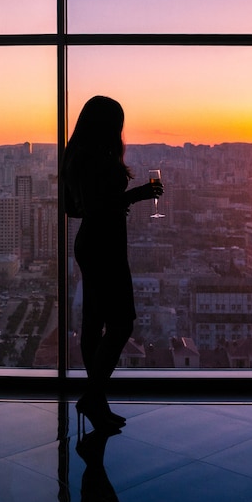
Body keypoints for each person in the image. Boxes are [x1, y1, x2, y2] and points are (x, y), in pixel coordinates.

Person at [62, 96, 163, 433]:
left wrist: (112, 204)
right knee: (121, 325)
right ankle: (93, 398)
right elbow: (93, 208)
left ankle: (97, 402)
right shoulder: (95, 157)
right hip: (105, 247)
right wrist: (136, 196)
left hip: (92, 244)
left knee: (93, 326)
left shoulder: (78, 155)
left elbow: (74, 210)